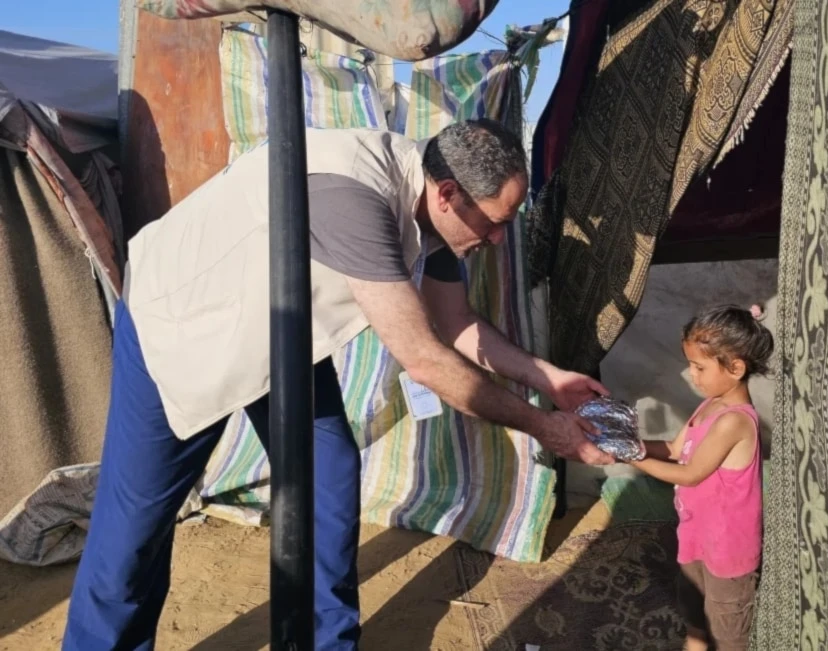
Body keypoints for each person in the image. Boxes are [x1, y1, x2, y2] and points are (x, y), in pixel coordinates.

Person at [63, 119, 613, 650]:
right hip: (179, 323)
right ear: (449, 194)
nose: (496, 238)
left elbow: (457, 323)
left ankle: (328, 642)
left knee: (327, 476)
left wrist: (550, 380)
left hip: (277, 331)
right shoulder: (355, 198)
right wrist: (544, 428)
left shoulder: (437, 212)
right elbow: (425, 360)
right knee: (134, 529)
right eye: (493, 222)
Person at [628, 304, 773, 651]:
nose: (691, 375)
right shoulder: (709, 405)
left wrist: (630, 457)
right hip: (696, 537)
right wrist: (631, 444)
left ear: (735, 368)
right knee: (694, 614)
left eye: (699, 367)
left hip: (728, 551)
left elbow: (690, 474)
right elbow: (675, 449)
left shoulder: (735, 421)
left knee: (727, 633)